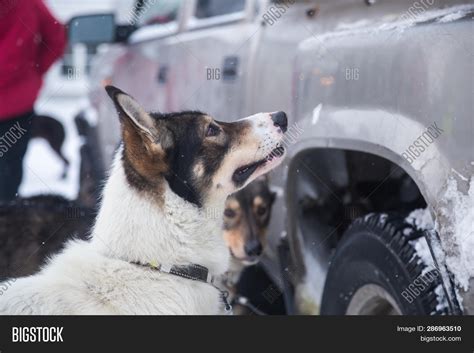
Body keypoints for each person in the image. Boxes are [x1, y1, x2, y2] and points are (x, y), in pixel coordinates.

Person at [0, 0, 66, 201]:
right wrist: (35, 71)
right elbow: (57, 37)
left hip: (16, 103)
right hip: (16, 104)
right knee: (7, 175)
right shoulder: (28, 3)